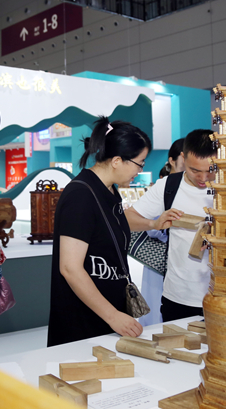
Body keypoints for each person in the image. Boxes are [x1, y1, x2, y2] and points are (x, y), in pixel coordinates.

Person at [47, 117, 154, 347]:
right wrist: (112, 316)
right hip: (84, 321)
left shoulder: (109, 191)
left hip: (108, 316)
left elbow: (105, 230)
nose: (140, 171)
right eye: (139, 163)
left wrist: (154, 224)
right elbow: (70, 268)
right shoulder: (81, 195)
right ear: (117, 161)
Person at [127, 129, 216, 322]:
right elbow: (127, 219)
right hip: (178, 296)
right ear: (183, 158)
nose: (203, 178)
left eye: (211, 170)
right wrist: (154, 223)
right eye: (195, 170)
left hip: (225, 296)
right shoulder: (168, 186)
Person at [137, 138, 185, 327]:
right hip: (158, 260)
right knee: (156, 306)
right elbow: (145, 225)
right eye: (184, 160)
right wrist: (162, 226)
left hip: (183, 263)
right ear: (172, 160)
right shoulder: (163, 187)